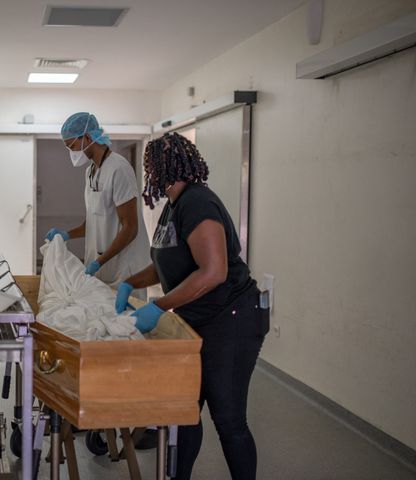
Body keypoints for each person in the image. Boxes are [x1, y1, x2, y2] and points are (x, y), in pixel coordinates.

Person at [115, 132, 269, 479]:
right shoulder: (174, 206)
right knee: (185, 411)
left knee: (228, 418)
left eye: (152, 166)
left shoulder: (198, 202)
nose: (150, 173)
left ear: (164, 166)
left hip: (230, 318)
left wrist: (161, 307)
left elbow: (213, 272)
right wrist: (131, 283)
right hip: (199, 321)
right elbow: (167, 262)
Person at [45, 112, 150, 300]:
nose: (72, 152)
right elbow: (94, 220)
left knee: (123, 324)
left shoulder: (119, 168)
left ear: (87, 137)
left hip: (123, 269)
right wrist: (67, 234)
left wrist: (99, 262)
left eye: (72, 146)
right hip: (102, 267)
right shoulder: (91, 172)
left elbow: (130, 227)